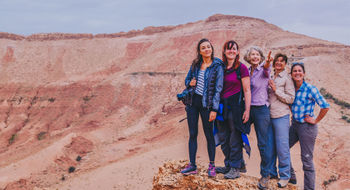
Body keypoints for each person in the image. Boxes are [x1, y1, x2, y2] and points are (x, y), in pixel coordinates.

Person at [180, 38, 224, 177]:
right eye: (203, 48)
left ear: (212, 49)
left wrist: (214, 109)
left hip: (208, 105)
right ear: (199, 51)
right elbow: (187, 80)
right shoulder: (196, 64)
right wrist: (190, 83)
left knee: (209, 134)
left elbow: (218, 88)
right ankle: (192, 165)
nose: (206, 49)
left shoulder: (217, 65)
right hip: (193, 103)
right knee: (193, 134)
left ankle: (212, 165)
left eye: (208, 47)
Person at [289, 62, 329, 190]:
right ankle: (291, 176)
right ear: (291, 74)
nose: (297, 73)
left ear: (304, 73)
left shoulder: (310, 89)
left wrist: (316, 120)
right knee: (281, 147)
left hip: (307, 128)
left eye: (299, 71)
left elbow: (325, 106)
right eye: (294, 71)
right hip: (294, 125)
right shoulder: (291, 88)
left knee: (306, 160)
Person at [215, 40, 251, 179]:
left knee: (234, 138)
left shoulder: (241, 68)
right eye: (228, 49)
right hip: (221, 108)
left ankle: (236, 168)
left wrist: (247, 110)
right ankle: (229, 165)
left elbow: (247, 90)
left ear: (237, 52)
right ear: (224, 51)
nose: (231, 51)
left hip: (236, 107)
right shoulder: (220, 68)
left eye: (234, 49)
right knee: (223, 138)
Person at [244, 46, 273, 189]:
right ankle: (237, 165)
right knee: (238, 132)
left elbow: (267, 68)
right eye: (252, 54)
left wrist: (267, 62)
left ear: (261, 57)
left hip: (261, 109)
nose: (255, 57)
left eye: (257, 55)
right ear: (248, 57)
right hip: (248, 108)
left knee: (262, 143)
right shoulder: (248, 71)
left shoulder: (263, 69)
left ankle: (265, 175)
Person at [268, 53, 295, 188]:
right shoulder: (270, 75)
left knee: (282, 147)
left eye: (281, 61)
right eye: (277, 61)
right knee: (270, 146)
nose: (278, 63)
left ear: (285, 64)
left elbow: (291, 98)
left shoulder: (287, 78)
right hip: (268, 116)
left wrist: (276, 90)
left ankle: (285, 175)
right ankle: (272, 172)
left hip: (281, 116)